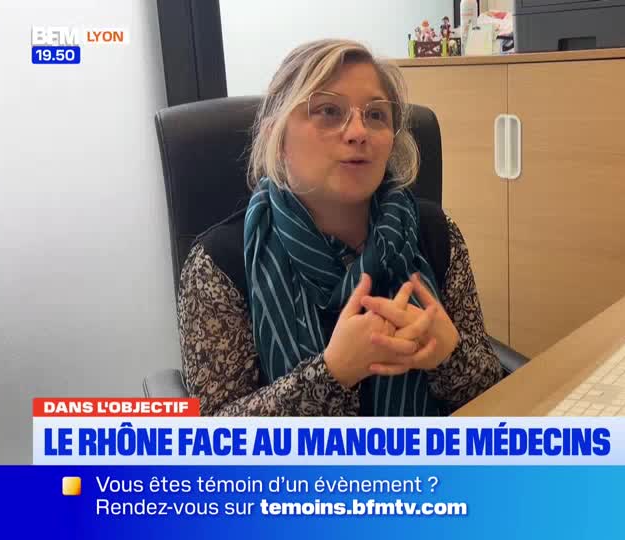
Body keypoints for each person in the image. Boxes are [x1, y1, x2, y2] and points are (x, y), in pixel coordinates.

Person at [177, 39, 503, 416]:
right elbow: (215, 441)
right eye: (329, 111)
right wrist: (333, 373)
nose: (358, 132)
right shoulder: (219, 262)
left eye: (377, 115)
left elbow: (495, 400)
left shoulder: (434, 232)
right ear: (276, 138)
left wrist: (450, 355)